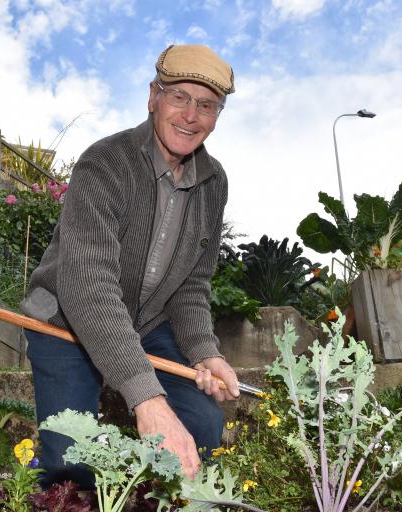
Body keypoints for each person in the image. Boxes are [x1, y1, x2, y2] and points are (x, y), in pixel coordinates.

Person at [21, 44, 240, 489]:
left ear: (217, 114)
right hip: (65, 317)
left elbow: (193, 284)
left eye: (206, 105)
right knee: (71, 462)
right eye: (179, 96)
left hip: (147, 323)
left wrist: (205, 351)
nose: (191, 115)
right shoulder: (105, 162)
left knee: (201, 426)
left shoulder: (213, 182)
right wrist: (147, 398)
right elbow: (88, 287)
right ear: (153, 96)